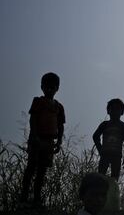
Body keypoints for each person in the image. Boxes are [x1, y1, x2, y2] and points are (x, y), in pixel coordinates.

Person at [20, 72, 65, 207]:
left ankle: (37, 199)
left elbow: (60, 125)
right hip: (37, 139)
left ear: (57, 88)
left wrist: (59, 141)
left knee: (42, 171)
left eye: (52, 87)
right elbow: (33, 119)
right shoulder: (38, 101)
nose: (50, 89)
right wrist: (34, 136)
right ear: (42, 87)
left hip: (50, 141)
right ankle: (23, 198)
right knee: (31, 168)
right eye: (47, 87)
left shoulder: (58, 107)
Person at [93, 98, 124, 181]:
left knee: (114, 179)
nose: (115, 111)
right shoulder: (105, 124)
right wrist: (100, 150)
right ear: (108, 111)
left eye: (117, 109)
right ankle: (99, 192)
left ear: (122, 112)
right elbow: (95, 136)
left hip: (117, 155)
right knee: (100, 177)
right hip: (105, 154)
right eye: (112, 109)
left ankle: (112, 193)